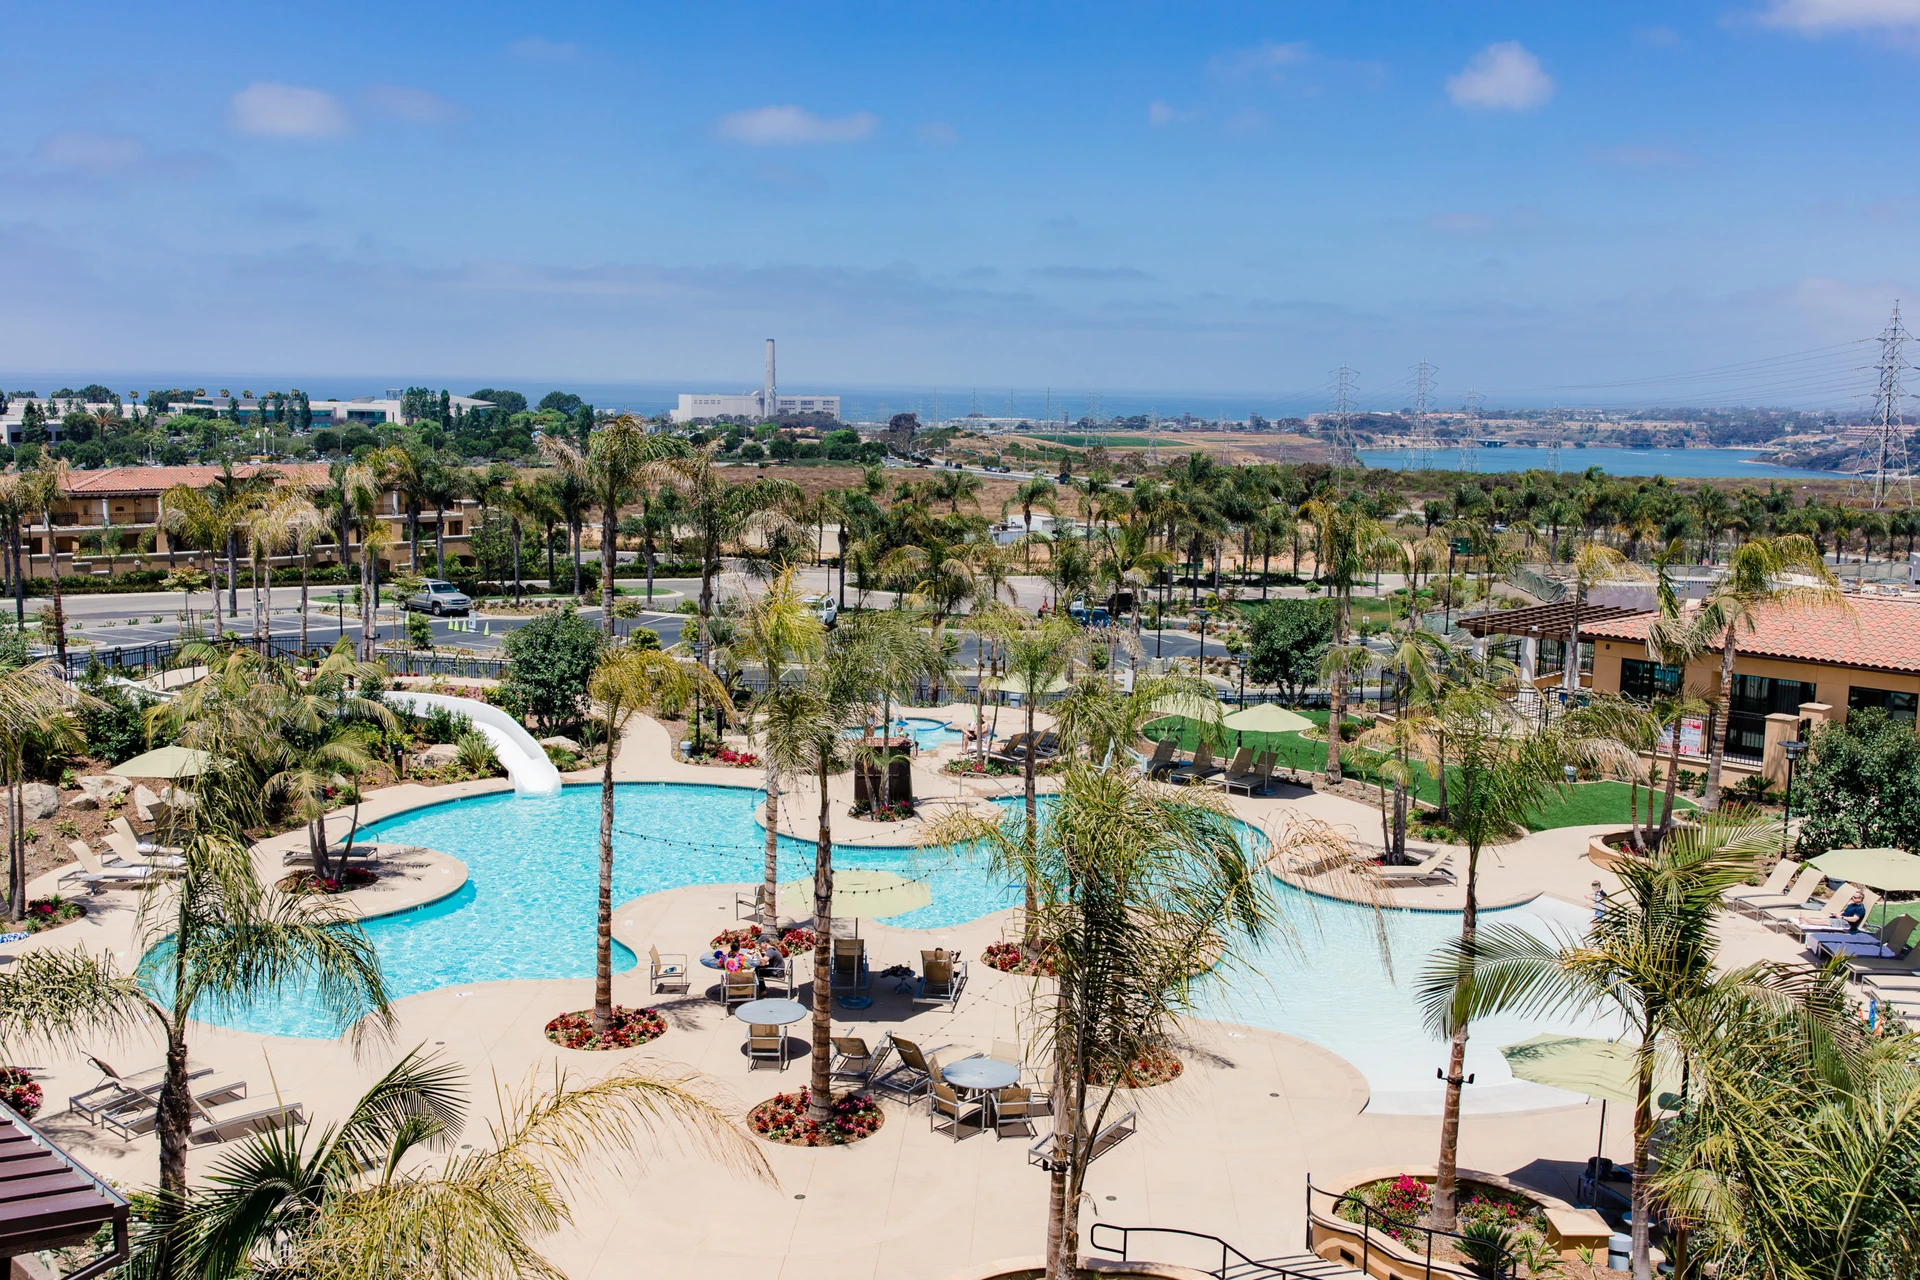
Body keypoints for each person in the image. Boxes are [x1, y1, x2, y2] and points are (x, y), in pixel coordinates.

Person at [1796, 888, 1868, 934]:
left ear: (1860, 899)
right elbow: (1844, 912)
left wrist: (1841, 917)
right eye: (1852, 897)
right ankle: (1806, 922)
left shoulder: (1860, 908)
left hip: (1847, 924)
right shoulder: (1852, 904)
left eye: (1854, 897)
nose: (1852, 898)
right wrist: (1836, 914)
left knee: (1826, 922)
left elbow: (1854, 919)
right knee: (1824, 919)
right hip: (1841, 919)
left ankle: (1807, 919)